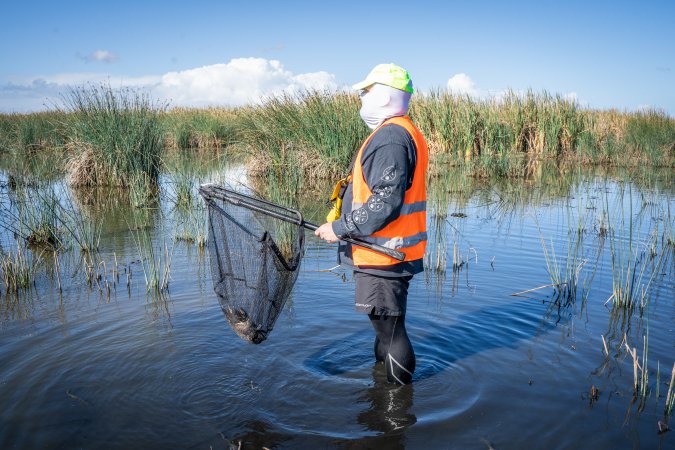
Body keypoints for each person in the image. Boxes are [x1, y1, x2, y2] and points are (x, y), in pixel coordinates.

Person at [314, 63, 428, 385]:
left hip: (383, 253)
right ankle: (384, 389)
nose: (362, 98)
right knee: (387, 326)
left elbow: (385, 202)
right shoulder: (399, 132)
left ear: (384, 96)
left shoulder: (391, 137)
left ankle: (395, 408)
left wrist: (339, 228)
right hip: (387, 251)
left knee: (390, 332)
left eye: (366, 92)